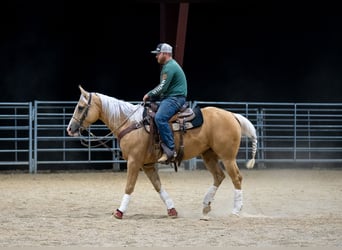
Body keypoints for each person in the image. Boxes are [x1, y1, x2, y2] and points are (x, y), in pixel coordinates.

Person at [143, 43, 188, 163]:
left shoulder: (169, 67)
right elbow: (163, 87)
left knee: (160, 118)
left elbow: (162, 87)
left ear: (165, 54)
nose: (156, 56)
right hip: (171, 97)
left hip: (175, 98)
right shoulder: (170, 66)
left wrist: (149, 94)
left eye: (158, 53)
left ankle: (170, 150)